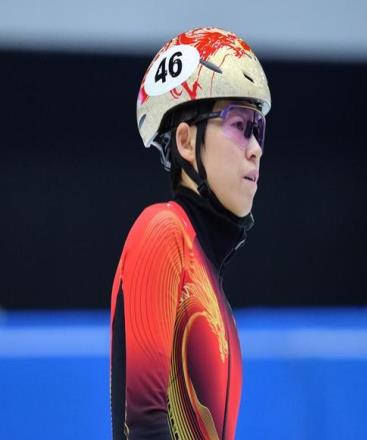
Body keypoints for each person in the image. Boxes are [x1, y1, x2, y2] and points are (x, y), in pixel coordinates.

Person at [109, 27, 271, 440]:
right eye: (240, 124)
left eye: (259, 128)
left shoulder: (208, 273)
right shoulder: (162, 231)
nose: (256, 148)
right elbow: (144, 424)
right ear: (185, 141)